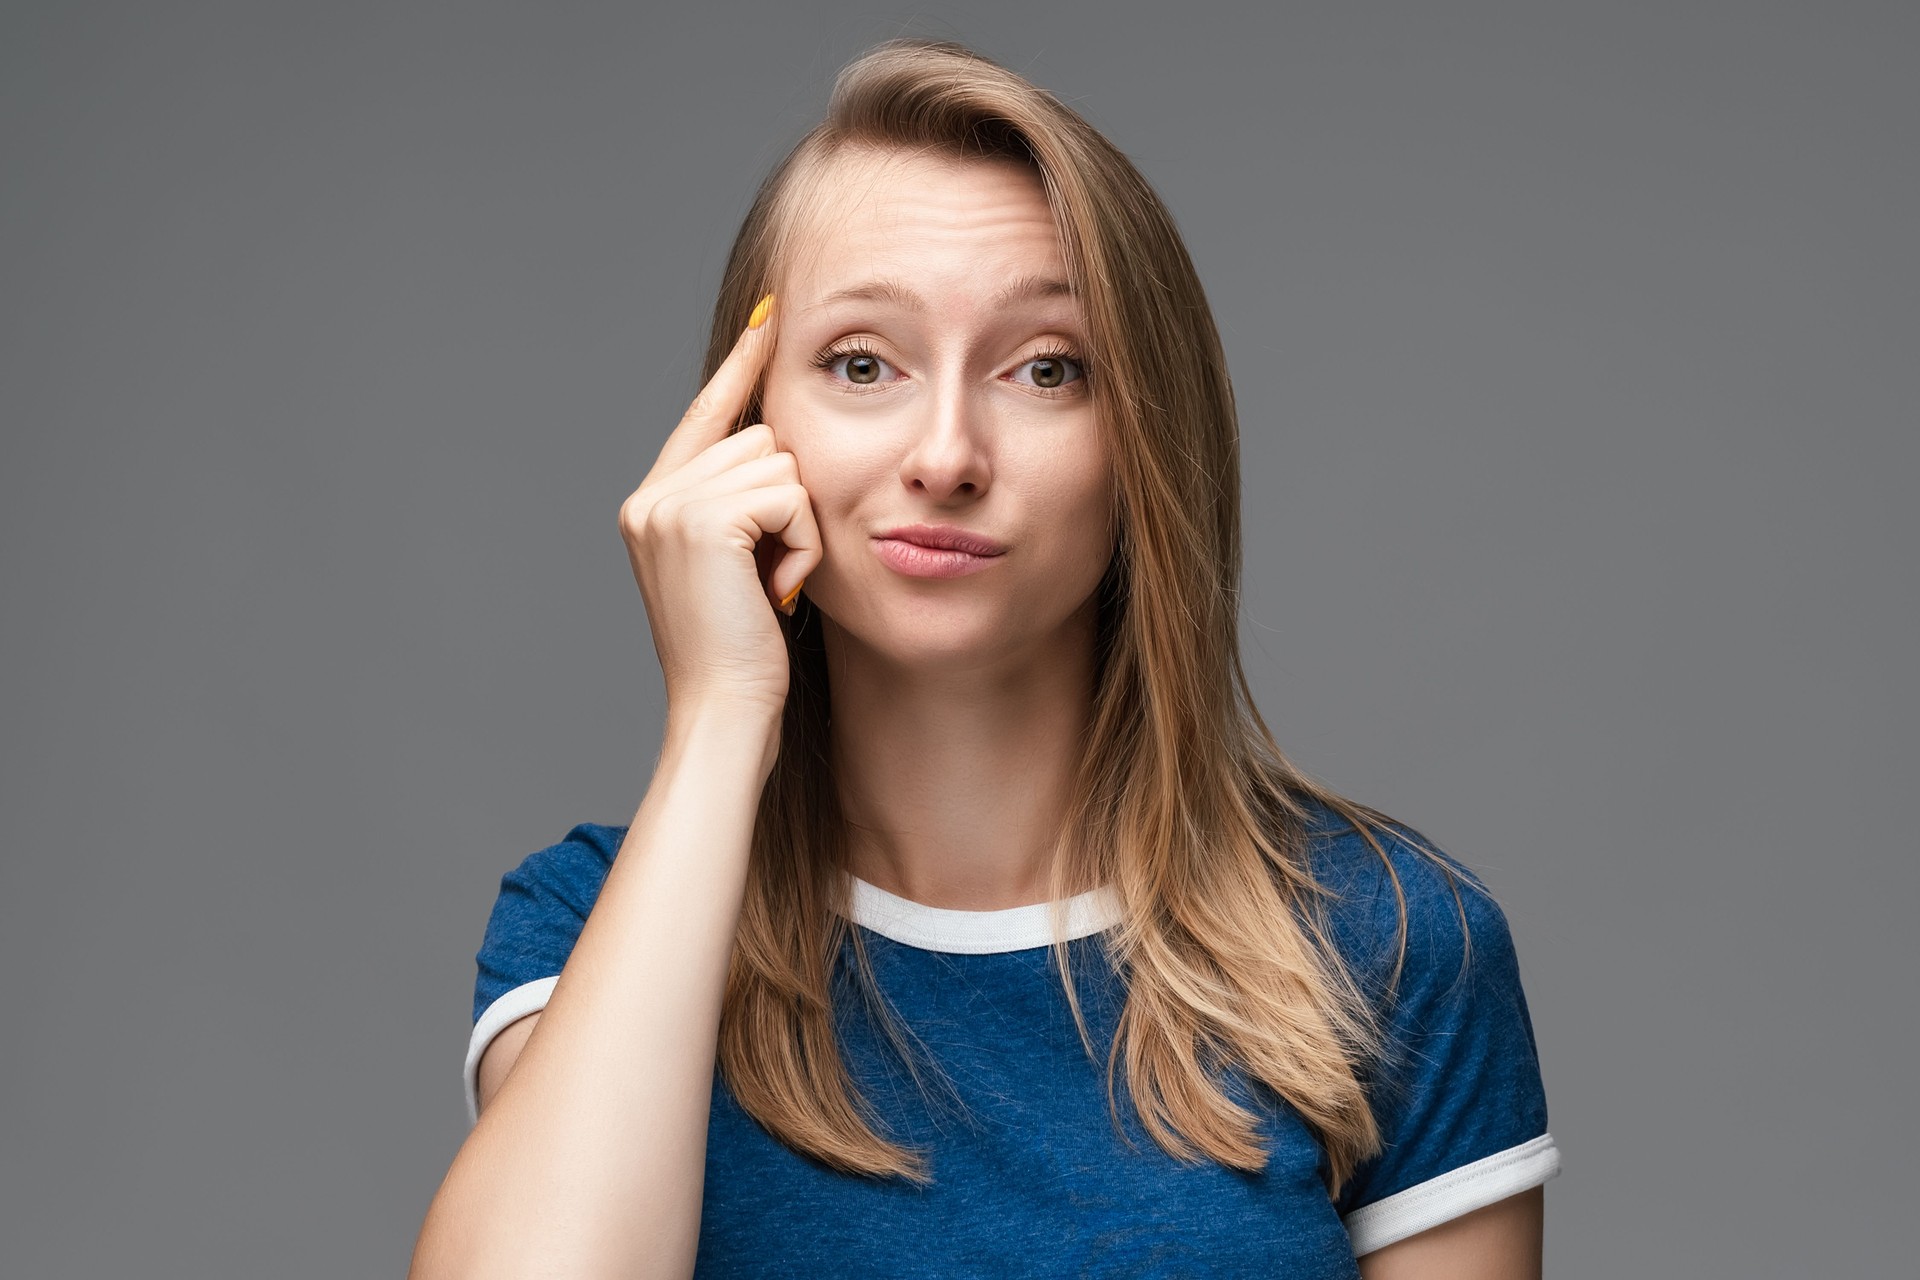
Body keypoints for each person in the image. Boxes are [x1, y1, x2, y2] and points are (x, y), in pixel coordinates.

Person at [410, 37, 1560, 1280]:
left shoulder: (1390, 938)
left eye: (1045, 369)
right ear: (744, 429)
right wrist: (717, 715)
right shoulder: (589, 923)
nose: (947, 453)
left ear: (1146, 445)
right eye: (863, 364)